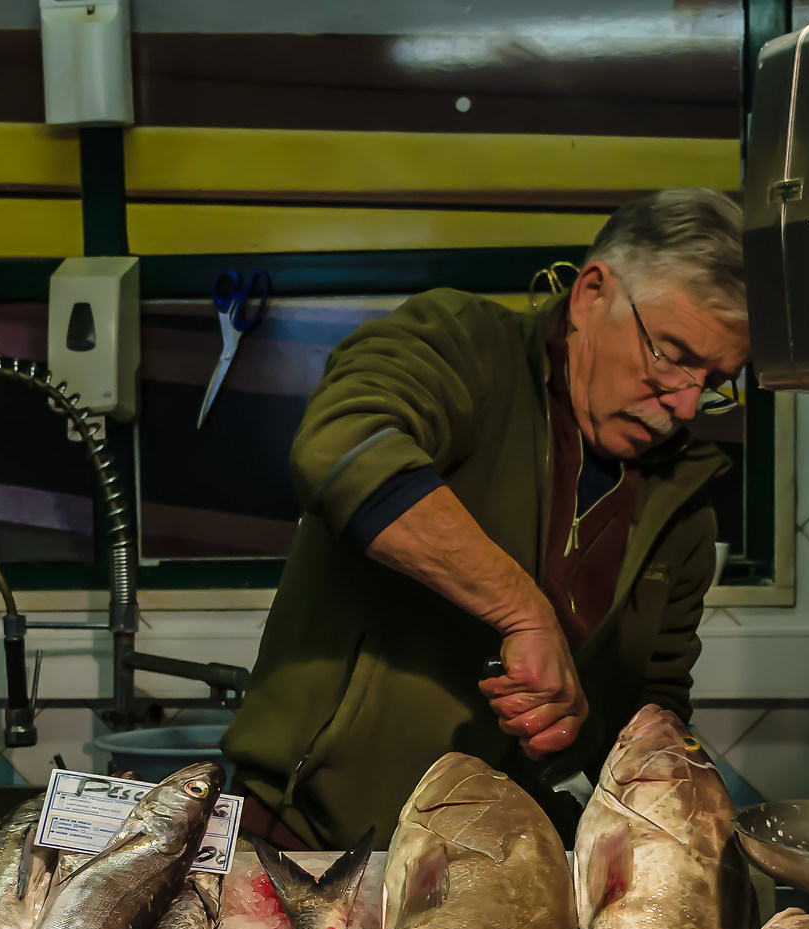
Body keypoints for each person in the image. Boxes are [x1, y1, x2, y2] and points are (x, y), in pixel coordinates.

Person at [222, 188, 749, 848]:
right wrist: (523, 612)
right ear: (591, 294)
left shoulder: (685, 510)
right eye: (671, 353)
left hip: (486, 869)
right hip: (304, 839)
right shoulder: (464, 347)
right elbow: (342, 446)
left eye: (716, 379)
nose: (686, 402)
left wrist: (576, 725)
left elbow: (651, 715)